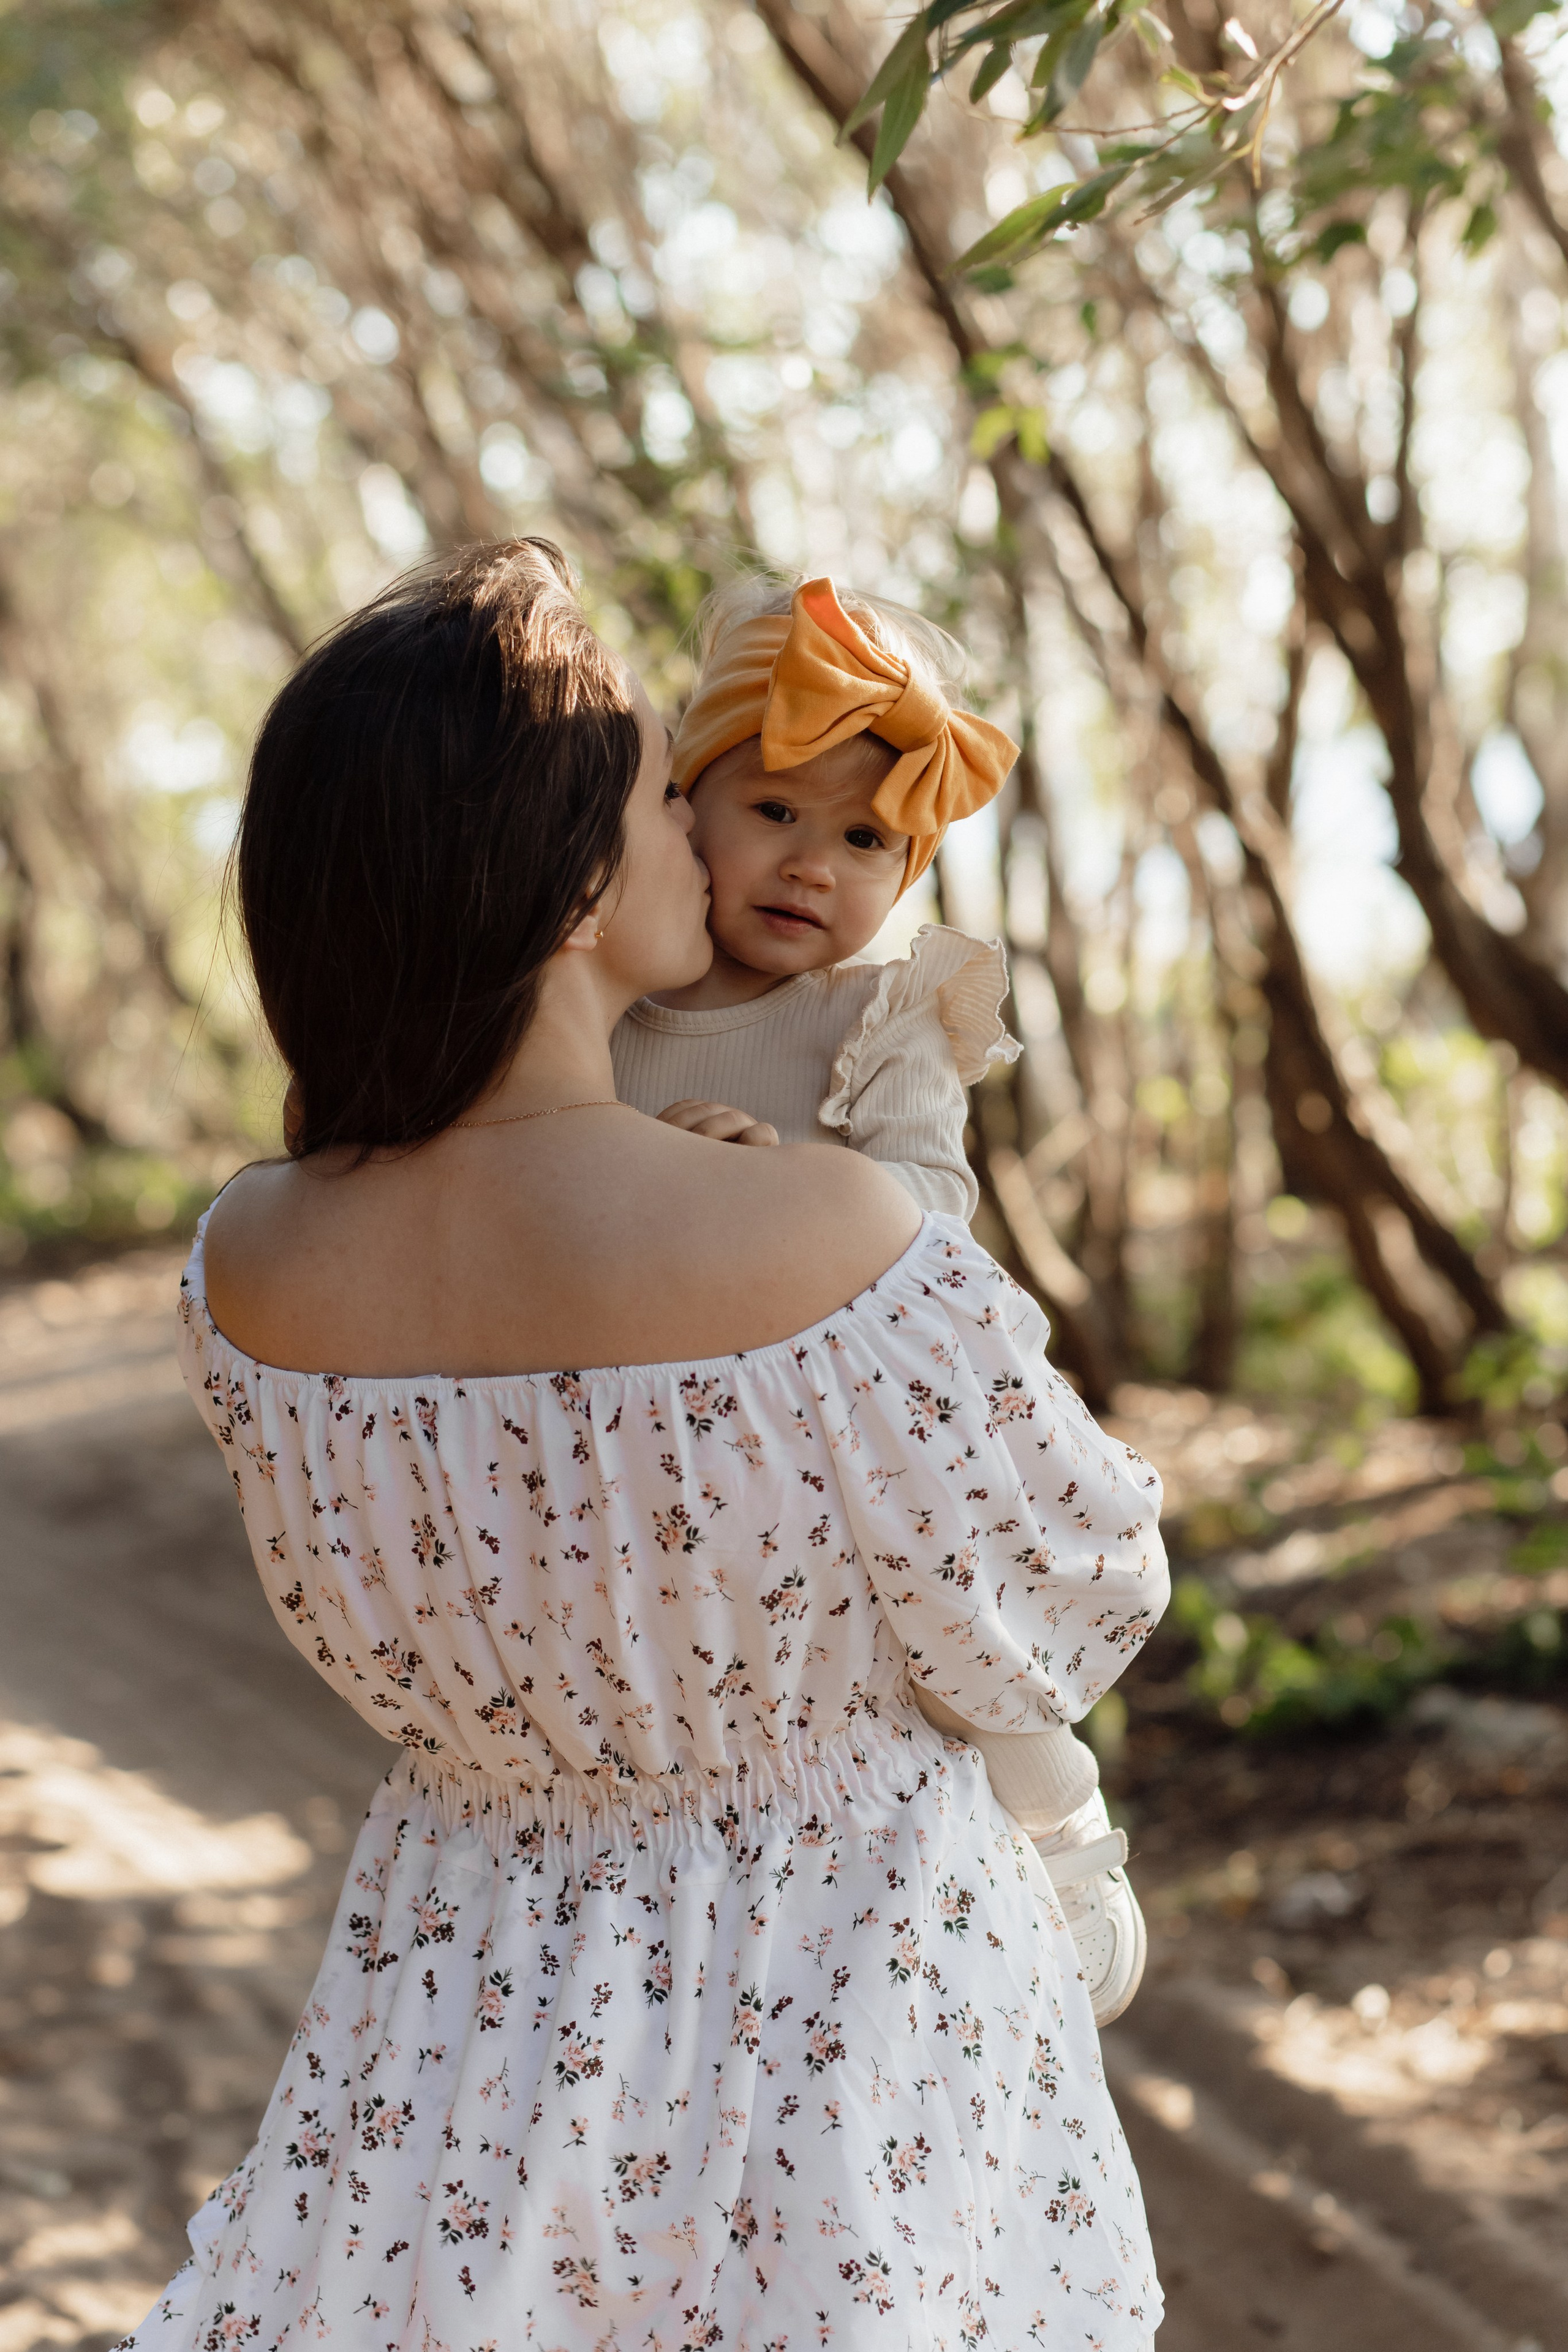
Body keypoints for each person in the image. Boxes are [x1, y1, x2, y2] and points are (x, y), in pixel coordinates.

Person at [124, 539, 1169, 2352]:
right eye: (663, 801)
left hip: (460, 2015)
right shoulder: (822, 1230)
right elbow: (1072, 1582)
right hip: (846, 2000)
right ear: (567, 880)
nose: (705, 836)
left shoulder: (248, 1268)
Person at [612, 573, 1144, 2021]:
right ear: (684, 804)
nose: (811, 865)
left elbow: (930, 1217)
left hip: (843, 1402)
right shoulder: (602, 1007)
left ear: (908, 872)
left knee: (928, 1597)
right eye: (775, 810)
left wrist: (784, 1182)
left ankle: (1053, 1817)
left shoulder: (878, 1013)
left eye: (863, 840)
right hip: (664, 1419)